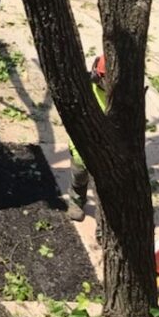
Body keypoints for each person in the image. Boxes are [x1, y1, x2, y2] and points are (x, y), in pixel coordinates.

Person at [66, 55, 109, 223]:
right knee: (79, 175)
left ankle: (102, 225)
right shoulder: (85, 90)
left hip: (107, 147)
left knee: (104, 190)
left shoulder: (123, 95)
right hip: (82, 143)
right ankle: (76, 200)